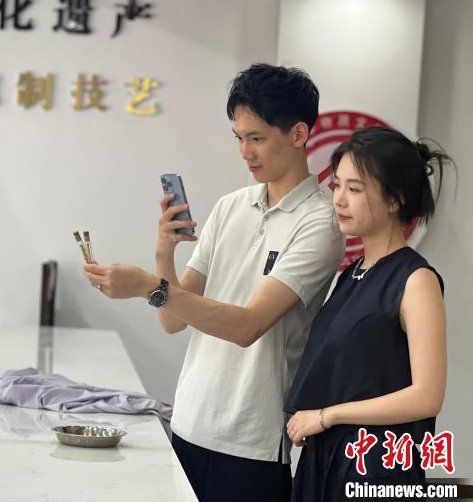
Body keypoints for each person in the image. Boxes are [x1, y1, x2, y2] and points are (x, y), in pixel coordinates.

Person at [83, 63, 344, 501]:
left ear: (299, 134)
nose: (245, 152)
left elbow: (247, 326)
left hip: (252, 440)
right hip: (189, 420)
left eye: (256, 138)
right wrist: (164, 252)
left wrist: (148, 286)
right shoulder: (230, 206)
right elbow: (173, 320)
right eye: (238, 138)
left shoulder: (320, 223)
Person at [284, 127, 452, 501]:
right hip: (326, 459)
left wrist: (327, 415)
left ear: (395, 199)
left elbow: (427, 396)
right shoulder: (352, 273)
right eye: (337, 185)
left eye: (355, 189)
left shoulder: (416, 280)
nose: (339, 199)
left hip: (374, 469)